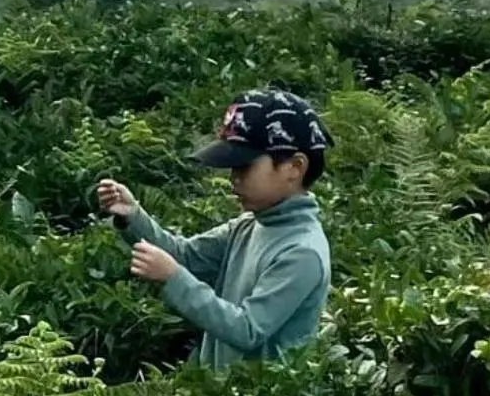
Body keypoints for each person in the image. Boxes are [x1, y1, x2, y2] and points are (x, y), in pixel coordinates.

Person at [94, 87, 333, 369]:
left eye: (243, 167)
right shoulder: (250, 224)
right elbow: (185, 256)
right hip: (216, 395)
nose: (234, 178)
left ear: (294, 167)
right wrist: (133, 215)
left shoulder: (302, 253)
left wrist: (173, 278)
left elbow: (248, 329)